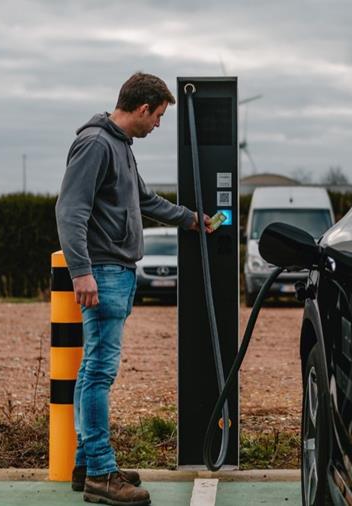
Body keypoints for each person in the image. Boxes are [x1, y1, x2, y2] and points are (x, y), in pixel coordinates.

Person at [56, 72, 212, 506]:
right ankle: (102, 475)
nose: (159, 125)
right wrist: (81, 272)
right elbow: (69, 210)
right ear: (142, 109)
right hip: (102, 272)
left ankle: (87, 465)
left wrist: (192, 218)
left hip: (116, 271)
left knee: (92, 370)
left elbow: (144, 201)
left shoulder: (120, 147)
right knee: (100, 372)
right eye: (159, 116)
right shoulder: (95, 144)